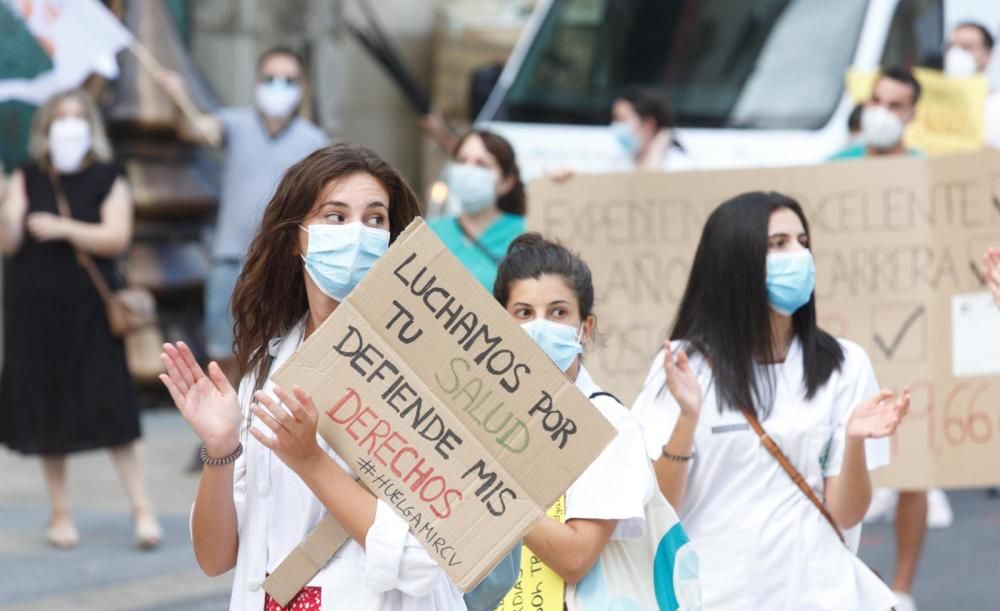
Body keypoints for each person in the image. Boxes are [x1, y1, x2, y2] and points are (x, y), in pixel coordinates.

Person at [158, 144, 466, 610]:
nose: (357, 234)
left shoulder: (421, 367)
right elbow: (216, 556)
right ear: (295, 236)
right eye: (335, 217)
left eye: (375, 219)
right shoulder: (267, 364)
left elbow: (423, 562)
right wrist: (219, 450)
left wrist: (310, 460)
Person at [632, 191, 910, 610]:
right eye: (778, 244)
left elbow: (847, 513)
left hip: (820, 594)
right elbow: (660, 507)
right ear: (735, 261)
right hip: (714, 595)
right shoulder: (684, 367)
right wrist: (686, 421)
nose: (797, 255)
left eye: (802, 241)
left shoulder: (845, 364)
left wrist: (852, 441)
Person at [0, 89, 162, 549]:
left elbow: (117, 236)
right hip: (35, 312)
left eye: (77, 117)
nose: (69, 125)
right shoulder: (26, 177)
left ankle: (143, 510)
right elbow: (10, 240)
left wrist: (63, 228)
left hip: (92, 312)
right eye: (60, 118)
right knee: (48, 411)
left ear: (91, 126)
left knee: (114, 408)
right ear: (44, 129)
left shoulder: (108, 176)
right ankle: (60, 513)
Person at [494, 233, 691, 610]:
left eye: (558, 312)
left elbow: (575, 559)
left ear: (585, 328)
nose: (540, 327)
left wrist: (485, 480)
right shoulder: (490, 420)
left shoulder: (609, 426)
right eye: (523, 313)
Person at [158, 46, 329, 381]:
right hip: (230, 256)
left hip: (285, 261)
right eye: (270, 78)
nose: (278, 87)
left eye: (288, 80)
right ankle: (227, 423)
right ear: (256, 82)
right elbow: (194, 128)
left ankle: (253, 426)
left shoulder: (314, 140)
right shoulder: (235, 123)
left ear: (302, 88)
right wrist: (179, 95)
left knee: (277, 346)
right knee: (222, 346)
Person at [830, 65, 933, 611]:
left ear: (912, 116)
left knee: (916, 465)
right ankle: (857, 583)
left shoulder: (928, 173)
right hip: (849, 332)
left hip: (913, 329)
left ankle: (903, 587)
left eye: (896, 105)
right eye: (877, 101)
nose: (883, 113)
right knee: (841, 464)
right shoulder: (834, 170)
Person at [429, 129, 525, 289]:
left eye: (482, 164)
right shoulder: (431, 232)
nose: (468, 171)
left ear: (506, 182)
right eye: (461, 161)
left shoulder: (527, 233)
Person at [830, 66, 924, 160]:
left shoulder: (924, 168)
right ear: (867, 103)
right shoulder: (837, 164)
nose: (881, 112)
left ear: (911, 116)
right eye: (876, 100)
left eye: (894, 105)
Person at [942, 21, 1000, 149]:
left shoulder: (996, 106)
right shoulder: (931, 102)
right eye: (951, 46)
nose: (955, 54)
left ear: (988, 54)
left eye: (966, 47)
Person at [611, 86, 695, 171]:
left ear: (649, 124)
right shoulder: (622, 162)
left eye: (622, 119)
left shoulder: (679, 165)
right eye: (615, 119)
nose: (616, 125)